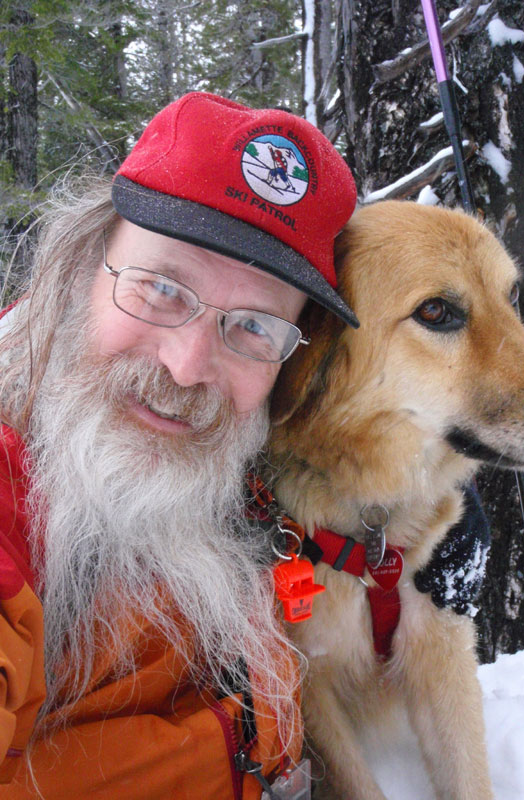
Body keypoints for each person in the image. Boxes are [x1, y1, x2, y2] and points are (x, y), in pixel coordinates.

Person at [0, 91, 489, 798]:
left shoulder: (241, 459)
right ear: (80, 270)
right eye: (161, 288)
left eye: (253, 328)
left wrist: (410, 498)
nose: (189, 367)